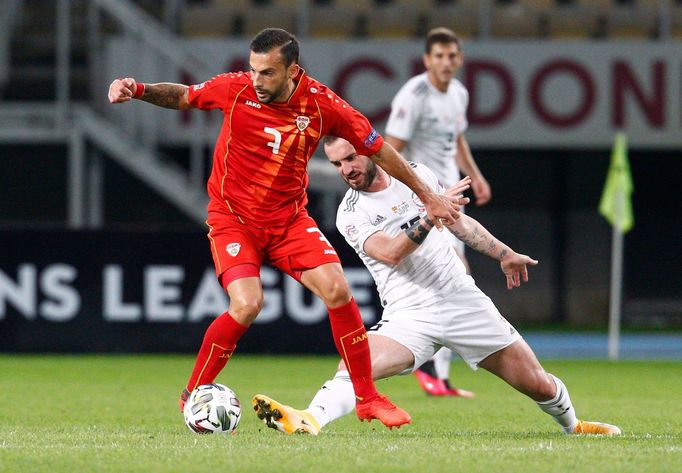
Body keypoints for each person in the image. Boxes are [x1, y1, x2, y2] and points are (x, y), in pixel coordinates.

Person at [107, 28, 461, 429]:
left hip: (289, 220)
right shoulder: (235, 89)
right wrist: (137, 89)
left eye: (268, 73)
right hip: (234, 219)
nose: (257, 81)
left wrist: (427, 195)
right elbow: (184, 95)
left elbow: (378, 148)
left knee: (338, 289)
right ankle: (194, 393)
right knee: (247, 304)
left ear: (293, 70)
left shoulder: (324, 105)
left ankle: (366, 396)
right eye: (254, 69)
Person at [251, 136, 622, 437]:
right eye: (337, 164)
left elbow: (460, 224)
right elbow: (392, 253)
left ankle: (574, 425)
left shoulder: (415, 176)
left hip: (462, 300)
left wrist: (504, 253)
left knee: (538, 384)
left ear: (368, 150)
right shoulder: (350, 212)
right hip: (409, 313)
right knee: (354, 365)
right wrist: (429, 214)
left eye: (351, 158)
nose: (346, 169)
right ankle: (309, 419)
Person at [384, 27, 490, 397]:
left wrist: (474, 175)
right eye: (439, 56)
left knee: (453, 278)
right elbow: (389, 149)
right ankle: (429, 367)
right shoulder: (413, 96)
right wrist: (413, 196)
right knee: (456, 275)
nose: (446, 62)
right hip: (428, 198)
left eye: (452, 56)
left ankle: (437, 376)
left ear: (459, 59)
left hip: (452, 197)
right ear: (427, 60)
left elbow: (457, 140)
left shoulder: (458, 93)